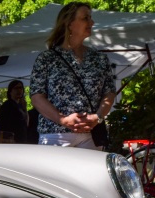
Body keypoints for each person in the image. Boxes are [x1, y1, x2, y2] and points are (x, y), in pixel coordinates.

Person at [29, 2, 115, 150]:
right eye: (85, 18)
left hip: (91, 135)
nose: (92, 22)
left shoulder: (99, 58)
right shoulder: (47, 58)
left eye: (90, 18)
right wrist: (63, 120)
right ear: (69, 24)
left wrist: (98, 117)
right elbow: (37, 97)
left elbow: (109, 92)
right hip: (55, 135)